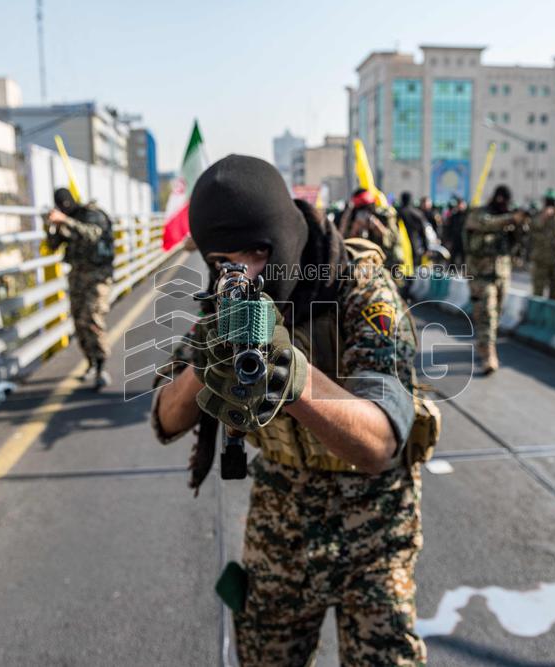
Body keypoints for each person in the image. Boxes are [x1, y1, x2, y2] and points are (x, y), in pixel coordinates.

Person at [151, 155, 435, 666]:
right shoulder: (226, 295)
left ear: (281, 238)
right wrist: (208, 362)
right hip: (281, 524)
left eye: (257, 253)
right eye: (223, 262)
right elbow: (166, 420)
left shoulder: (359, 285)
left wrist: (289, 373)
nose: (245, 274)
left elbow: (380, 443)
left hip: (374, 526)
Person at [46, 187, 115, 389]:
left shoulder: (92, 214)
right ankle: (91, 362)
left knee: (92, 318)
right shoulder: (67, 218)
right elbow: (52, 245)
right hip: (77, 277)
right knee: (79, 322)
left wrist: (65, 221)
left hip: (98, 276)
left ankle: (101, 365)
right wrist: (51, 226)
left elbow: (93, 234)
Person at [464, 184, 525, 374]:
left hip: (502, 274)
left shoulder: (509, 221)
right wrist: (511, 218)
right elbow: (485, 223)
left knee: (495, 314)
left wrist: (521, 223)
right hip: (480, 274)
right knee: (487, 313)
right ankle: (489, 356)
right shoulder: (478, 214)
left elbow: (520, 241)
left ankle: (484, 344)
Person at [337, 188, 404, 269]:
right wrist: (354, 230)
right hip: (357, 264)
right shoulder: (348, 217)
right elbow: (341, 241)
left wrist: (380, 229)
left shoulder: (384, 217)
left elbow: (395, 241)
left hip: (384, 263)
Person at [396, 192, 429, 267]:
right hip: (415, 244)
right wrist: (426, 247)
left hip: (400, 244)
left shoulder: (398, 213)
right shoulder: (418, 214)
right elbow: (423, 233)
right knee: (413, 268)